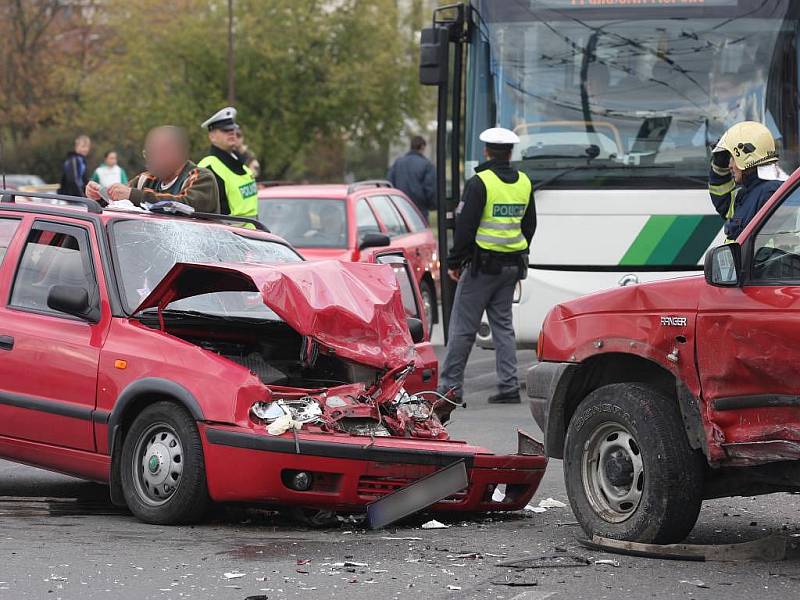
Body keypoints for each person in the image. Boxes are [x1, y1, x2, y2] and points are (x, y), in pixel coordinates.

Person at [436, 127, 536, 416]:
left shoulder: (480, 182)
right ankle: (508, 387)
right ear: (510, 153)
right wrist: (516, 250)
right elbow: (530, 226)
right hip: (510, 266)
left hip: (481, 268)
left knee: (462, 328)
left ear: (486, 151)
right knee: (503, 326)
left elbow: (465, 227)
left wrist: (455, 263)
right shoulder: (524, 183)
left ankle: (450, 390)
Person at [85, 126, 219, 213]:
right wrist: (101, 196)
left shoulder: (202, 178)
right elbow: (120, 201)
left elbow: (183, 206)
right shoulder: (145, 179)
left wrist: (134, 195)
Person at [710, 121, 788, 243]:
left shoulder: (769, 194)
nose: (729, 165)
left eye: (732, 158)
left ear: (746, 159)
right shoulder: (750, 192)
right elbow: (725, 204)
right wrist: (718, 169)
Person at [198, 107, 258, 218]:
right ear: (212, 137)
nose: (231, 132)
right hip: (230, 234)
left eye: (233, 129)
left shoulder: (240, 161)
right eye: (225, 130)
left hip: (252, 233)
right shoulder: (207, 169)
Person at [388, 136, 436, 220]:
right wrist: (433, 205)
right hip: (419, 210)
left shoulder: (398, 163)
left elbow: (390, 183)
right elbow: (430, 189)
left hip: (400, 208)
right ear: (422, 147)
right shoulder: (427, 165)